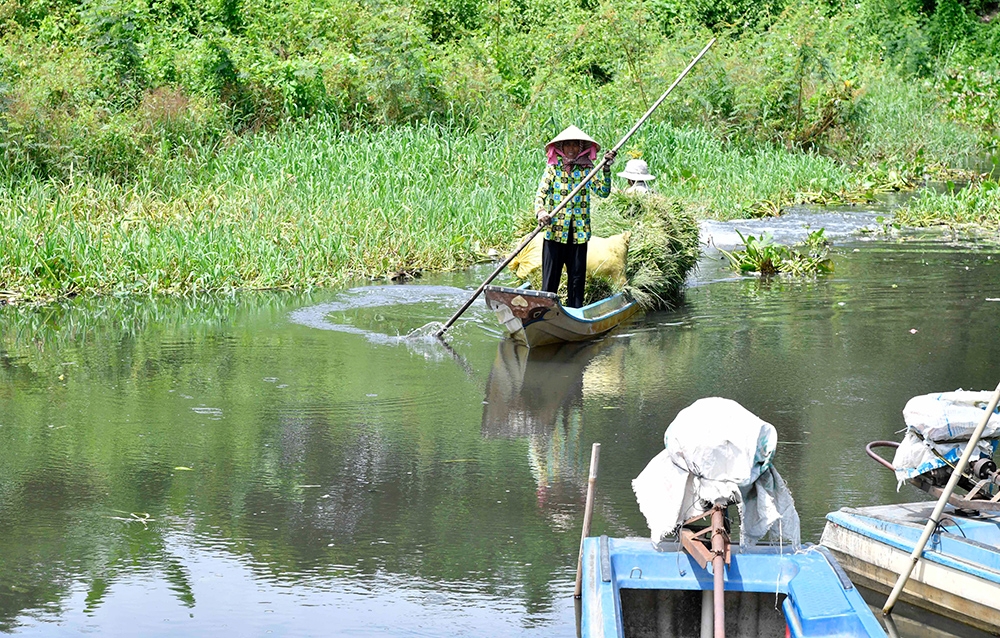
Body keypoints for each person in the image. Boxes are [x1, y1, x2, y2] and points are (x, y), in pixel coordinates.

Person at [533, 126, 616, 308]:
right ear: (561, 148)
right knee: (550, 281)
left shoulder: (587, 170)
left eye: (575, 146)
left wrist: (606, 169)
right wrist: (542, 212)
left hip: (578, 234)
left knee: (577, 281)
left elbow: (603, 192)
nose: (571, 149)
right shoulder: (553, 169)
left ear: (581, 148)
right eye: (567, 145)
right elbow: (540, 195)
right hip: (555, 233)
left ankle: (574, 313)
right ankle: (547, 312)